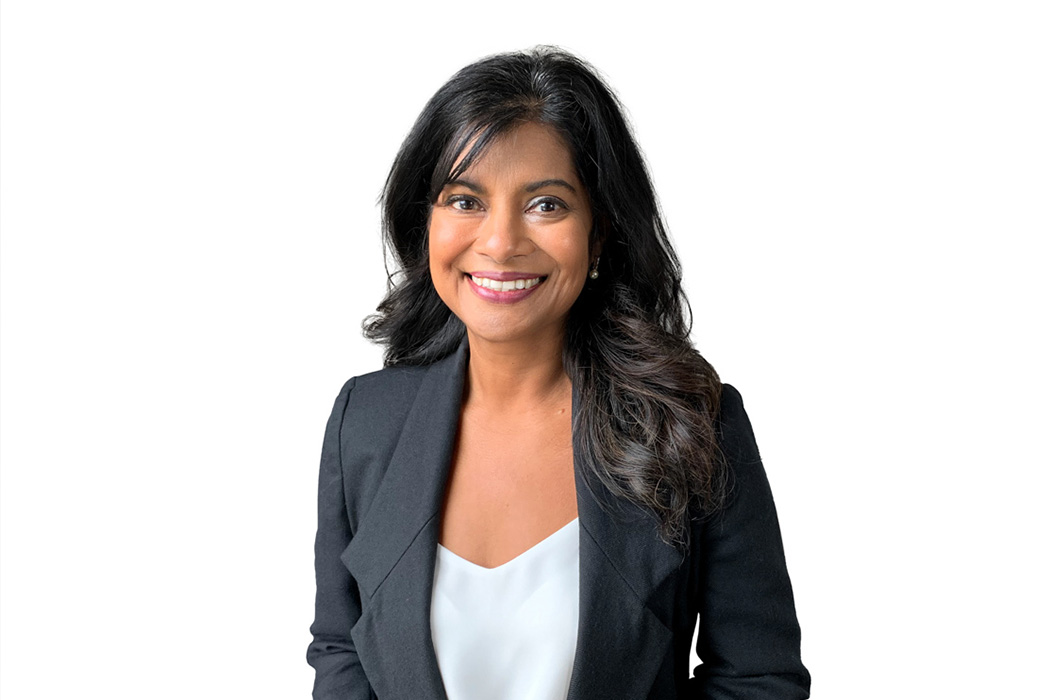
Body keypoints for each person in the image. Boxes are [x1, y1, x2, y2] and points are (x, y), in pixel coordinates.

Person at [307, 47, 810, 700]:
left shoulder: (693, 425)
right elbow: (342, 650)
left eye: (545, 204)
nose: (499, 241)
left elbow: (757, 681)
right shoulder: (364, 424)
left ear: (600, 233)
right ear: (424, 220)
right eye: (465, 200)